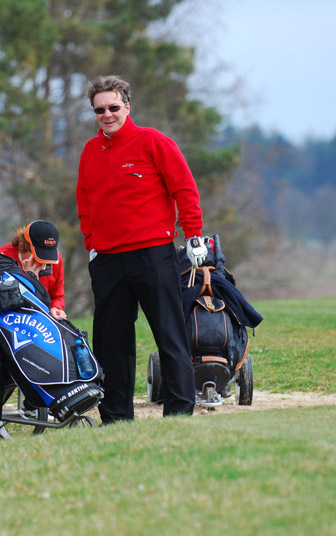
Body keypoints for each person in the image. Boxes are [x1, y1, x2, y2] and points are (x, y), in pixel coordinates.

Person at [76, 75, 209, 423]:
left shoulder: (153, 142)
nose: (107, 114)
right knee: (112, 343)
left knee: (170, 333)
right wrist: (91, 245)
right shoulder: (90, 152)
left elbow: (184, 189)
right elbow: (85, 202)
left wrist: (193, 236)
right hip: (107, 260)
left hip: (153, 254)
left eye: (113, 107)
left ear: (127, 106)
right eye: (100, 109)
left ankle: (179, 411)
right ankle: (116, 416)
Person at [0, 220, 67, 320]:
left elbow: (57, 296)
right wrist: (29, 278)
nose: (43, 266)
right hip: (6, 320)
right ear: (21, 246)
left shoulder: (56, 260)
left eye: (47, 258)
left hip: (40, 322)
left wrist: (55, 308)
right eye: (39, 258)